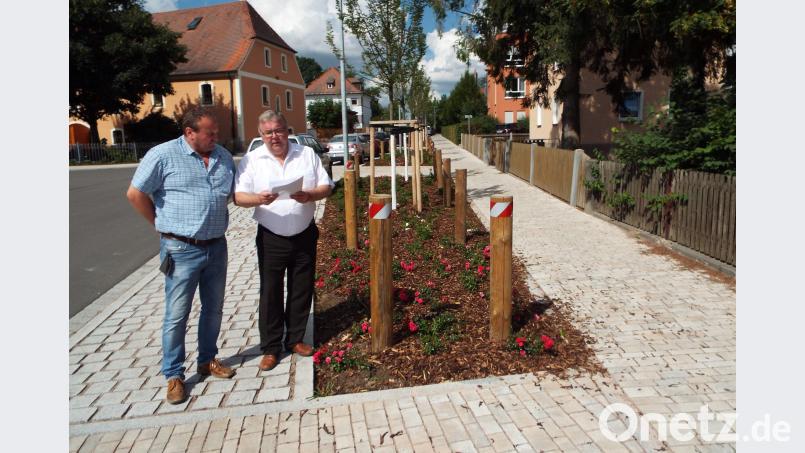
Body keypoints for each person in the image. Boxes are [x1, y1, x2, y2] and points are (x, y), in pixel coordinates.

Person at [126, 108, 236, 404]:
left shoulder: (223, 157)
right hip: (181, 249)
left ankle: (207, 359)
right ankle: (174, 375)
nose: (216, 137)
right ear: (190, 132)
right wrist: (162, 228)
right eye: (209, 133)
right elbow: (135, 194)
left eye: (216, 132)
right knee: (177, 315)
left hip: (216, 246)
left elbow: (233, 195)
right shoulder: (162, 155)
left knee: (213, 310)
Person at [234, 110, 333, 371]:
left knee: (301, 288)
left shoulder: (306, 154)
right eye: (268, 132)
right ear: (261, 134)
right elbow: (239, 196)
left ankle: (296, 339)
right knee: (271, 292)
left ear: (287, 130)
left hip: (304, 232)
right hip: (271, 236)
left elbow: (327, 186)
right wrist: (259, 199)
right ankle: (270, 347)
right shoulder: (253, 160)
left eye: (278, 130)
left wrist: (310, 195)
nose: (274, 136)